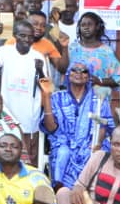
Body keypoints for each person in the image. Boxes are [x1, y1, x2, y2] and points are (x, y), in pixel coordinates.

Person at [43, 61, 115, 189]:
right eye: (74, 70)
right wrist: (47, 97)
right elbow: (50, 128)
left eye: (84, 71)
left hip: (90, 142)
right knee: (63, 153)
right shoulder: (57, 98)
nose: (79, 73)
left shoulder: (98, 99)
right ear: (67, 75)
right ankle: (60, 192)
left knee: (92, 154)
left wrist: (97, 144)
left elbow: (104, 125)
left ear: (89, 76)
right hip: (63, 143)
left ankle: (87, 193)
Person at [0, 19, 48, 159]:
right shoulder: (4, 51)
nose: (26, 39)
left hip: (29, 116)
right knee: (6, 154)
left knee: (27, 157)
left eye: (30, 36)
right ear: (14, 35)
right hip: (7, 114)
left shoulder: (38, 56)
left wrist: (40, 70)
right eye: (22, 35)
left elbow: (47, 86)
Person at [69, 12, 120, 89]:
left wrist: (99, 81)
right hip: (74, 98)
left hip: (99, 98)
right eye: (83, 25)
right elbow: (63, 72)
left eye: (90, 24)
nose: (86, 27)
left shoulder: (107, 51)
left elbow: (119, 80)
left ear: (97, 26)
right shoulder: (72, 48)